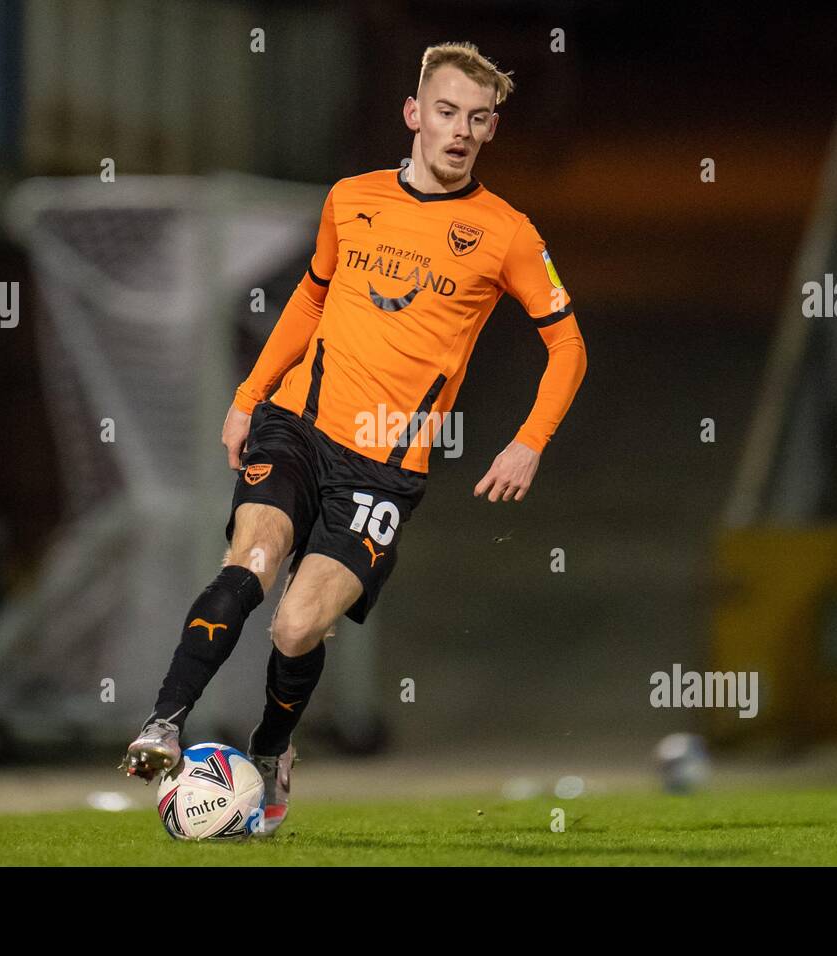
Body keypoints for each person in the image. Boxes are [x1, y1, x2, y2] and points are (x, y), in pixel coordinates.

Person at [120, 42, 588, 835]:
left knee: (299, 627)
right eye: (446, 112)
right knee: (252, 562)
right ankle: (165, 722)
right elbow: (310, 297)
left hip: (384, 468)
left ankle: (270, 753)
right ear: (414, 115)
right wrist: (248, 397)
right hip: (297, 425)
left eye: (477, 119)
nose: (459, 131)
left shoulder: (506, 234)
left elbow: (568, 344)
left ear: (491, 130)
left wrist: (528, 441)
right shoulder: (352, 199)